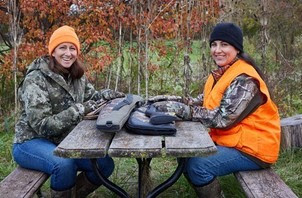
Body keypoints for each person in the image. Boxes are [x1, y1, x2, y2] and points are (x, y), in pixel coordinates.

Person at [151, 23, 281, 197]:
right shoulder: (223, 74)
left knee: (197, 166)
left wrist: (183, 111)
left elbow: (223, 118)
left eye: (224, 44)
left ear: (236, 48)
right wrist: (169, 100)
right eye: (214, 44)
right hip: (234, 142)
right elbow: (201, 102)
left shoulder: (244, 79)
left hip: (253, 149)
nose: (217, 50)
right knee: (186, 155)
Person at [13, 25, 124, 197]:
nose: (68, 53)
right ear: (53, 51)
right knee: (64, 165)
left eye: (72, 48)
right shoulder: (36, 79)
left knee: (104, 164)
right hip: (31, 141)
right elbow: (42, 125)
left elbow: (92, 97)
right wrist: (78, 110)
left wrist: (110, 95)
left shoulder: (76, 74)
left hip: (63, 140)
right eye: (62, 47)